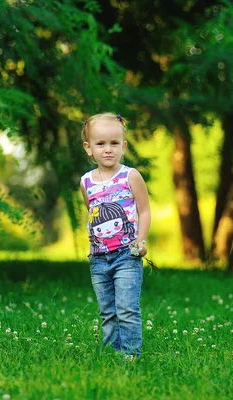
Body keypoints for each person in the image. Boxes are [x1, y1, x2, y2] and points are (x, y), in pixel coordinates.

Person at [79, 112, 151, 359]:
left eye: (114, 143)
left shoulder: (130, 176)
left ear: (124, 146)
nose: (107, 150)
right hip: (98, 259)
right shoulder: (86, 182)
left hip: (126, 256)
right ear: (89, 148)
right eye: (100, 144)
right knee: (107, 311)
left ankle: (131, 355)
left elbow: (144, 210)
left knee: (127, 309)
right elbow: (93, 214)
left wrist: (141, 241)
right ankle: (111, 354)